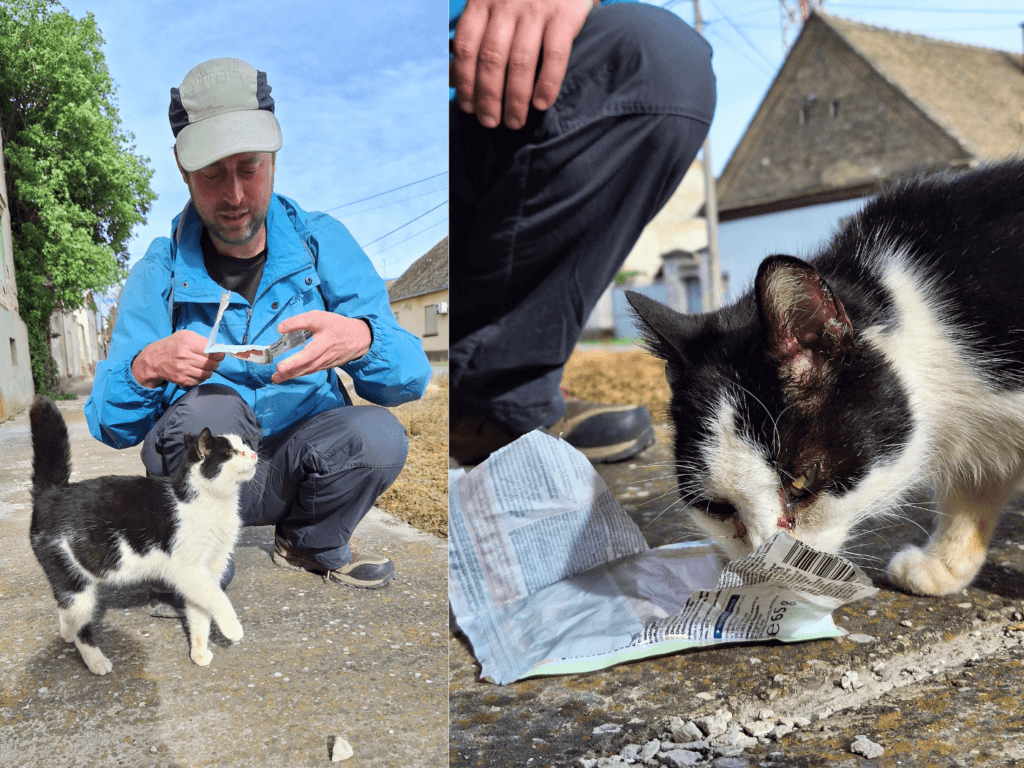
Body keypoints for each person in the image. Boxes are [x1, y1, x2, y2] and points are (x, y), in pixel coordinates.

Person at [85, 58, 432, 613]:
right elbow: (108, 424)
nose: (236, 195)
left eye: (250, 168)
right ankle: (191, 563)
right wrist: (144, 368)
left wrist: (365, 339)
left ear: (274, 156)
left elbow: (413, 378)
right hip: (203, 480)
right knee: (214, 412)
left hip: (299, 463)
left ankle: (310, 542)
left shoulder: (324, 243)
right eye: (213, 176)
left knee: (378, 436)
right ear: (182, 169)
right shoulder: (158, 269)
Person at [448, 0, 717, 465]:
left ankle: (498, 396)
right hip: (447, 91)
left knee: (656, 57)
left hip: (502, 95)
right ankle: (489, 396)